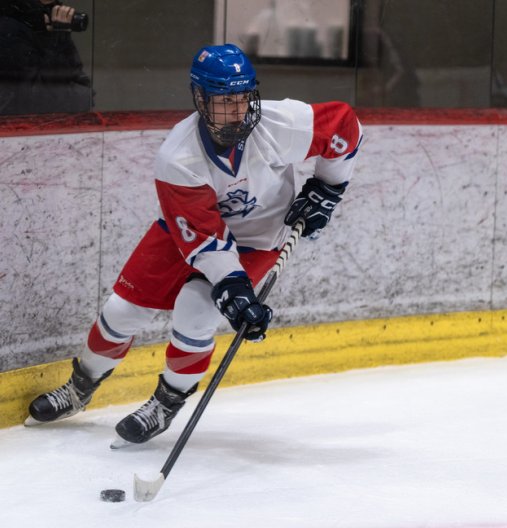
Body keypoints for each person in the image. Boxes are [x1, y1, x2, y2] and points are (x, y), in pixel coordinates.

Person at [25, 43, 363, 446]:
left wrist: (329, 186)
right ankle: (80, 388)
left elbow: (344, 125)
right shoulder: (178, 157)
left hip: (258, 239)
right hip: (187, 233)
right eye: (224, 102)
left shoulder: (280, 123)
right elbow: (205, 241)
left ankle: (166, 401)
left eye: (243, 98)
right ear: (200, 99)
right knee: (122, 311)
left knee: (196, 308)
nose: (237, 111)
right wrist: (236, 290)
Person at [0, 0, 91, 115]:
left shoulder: (48, 25)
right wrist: (57, 42)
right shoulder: (8, 29)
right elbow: (35, 103)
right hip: (23, 128)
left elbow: (86, 94)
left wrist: (58, 38)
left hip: (54, 127)